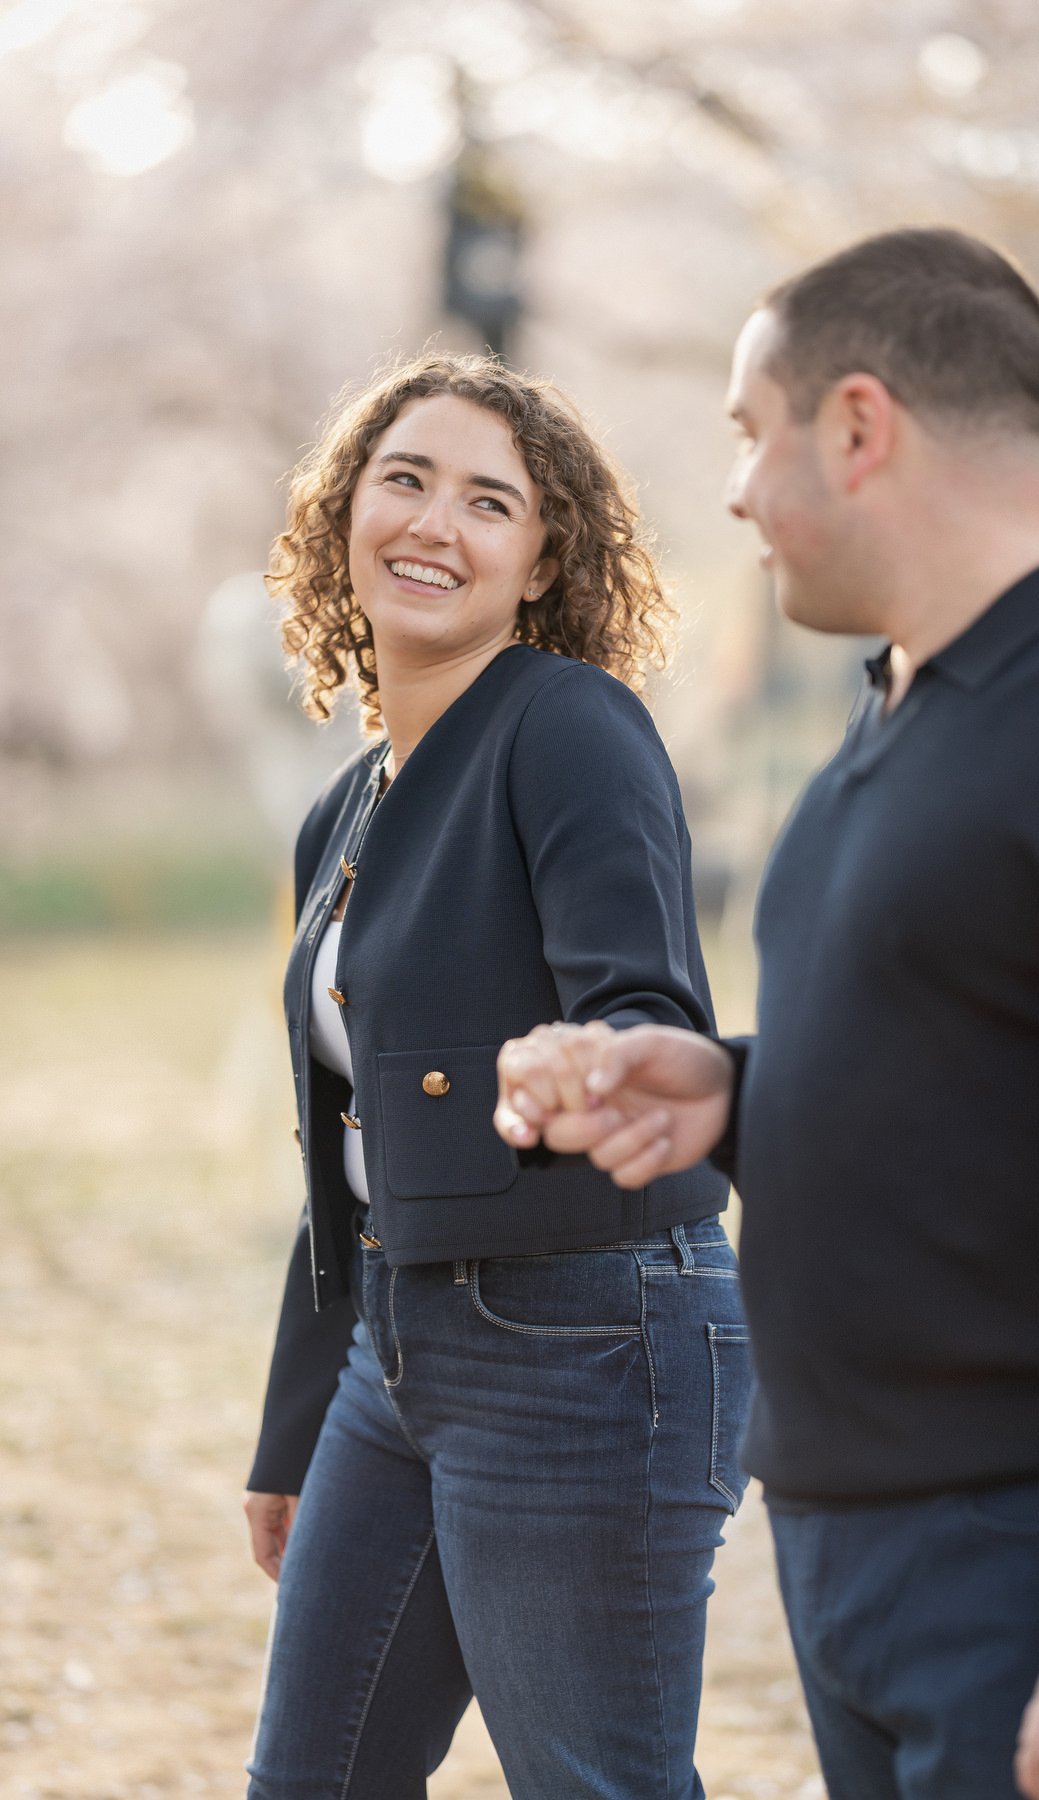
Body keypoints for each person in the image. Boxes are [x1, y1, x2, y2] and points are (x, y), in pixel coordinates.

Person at [494, 229, 1039, 1800]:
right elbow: (1004, 1068)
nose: (736, 491)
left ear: (861, 425)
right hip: (852, 1567)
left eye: (753, 434)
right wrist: (737, 1095)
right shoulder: (890, 728)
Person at [243, 352, 752, 1800]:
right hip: (392, 1358)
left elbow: (644, 1004)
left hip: (587, 1340)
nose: (433, 524)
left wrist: (572, 1073)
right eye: (403, 479)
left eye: (488, 501)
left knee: (597, 1786)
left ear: (539, 563)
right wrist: (292, 1430)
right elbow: (338, 1143)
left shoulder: (565, 725)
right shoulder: (343, 813)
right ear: (344, 513)